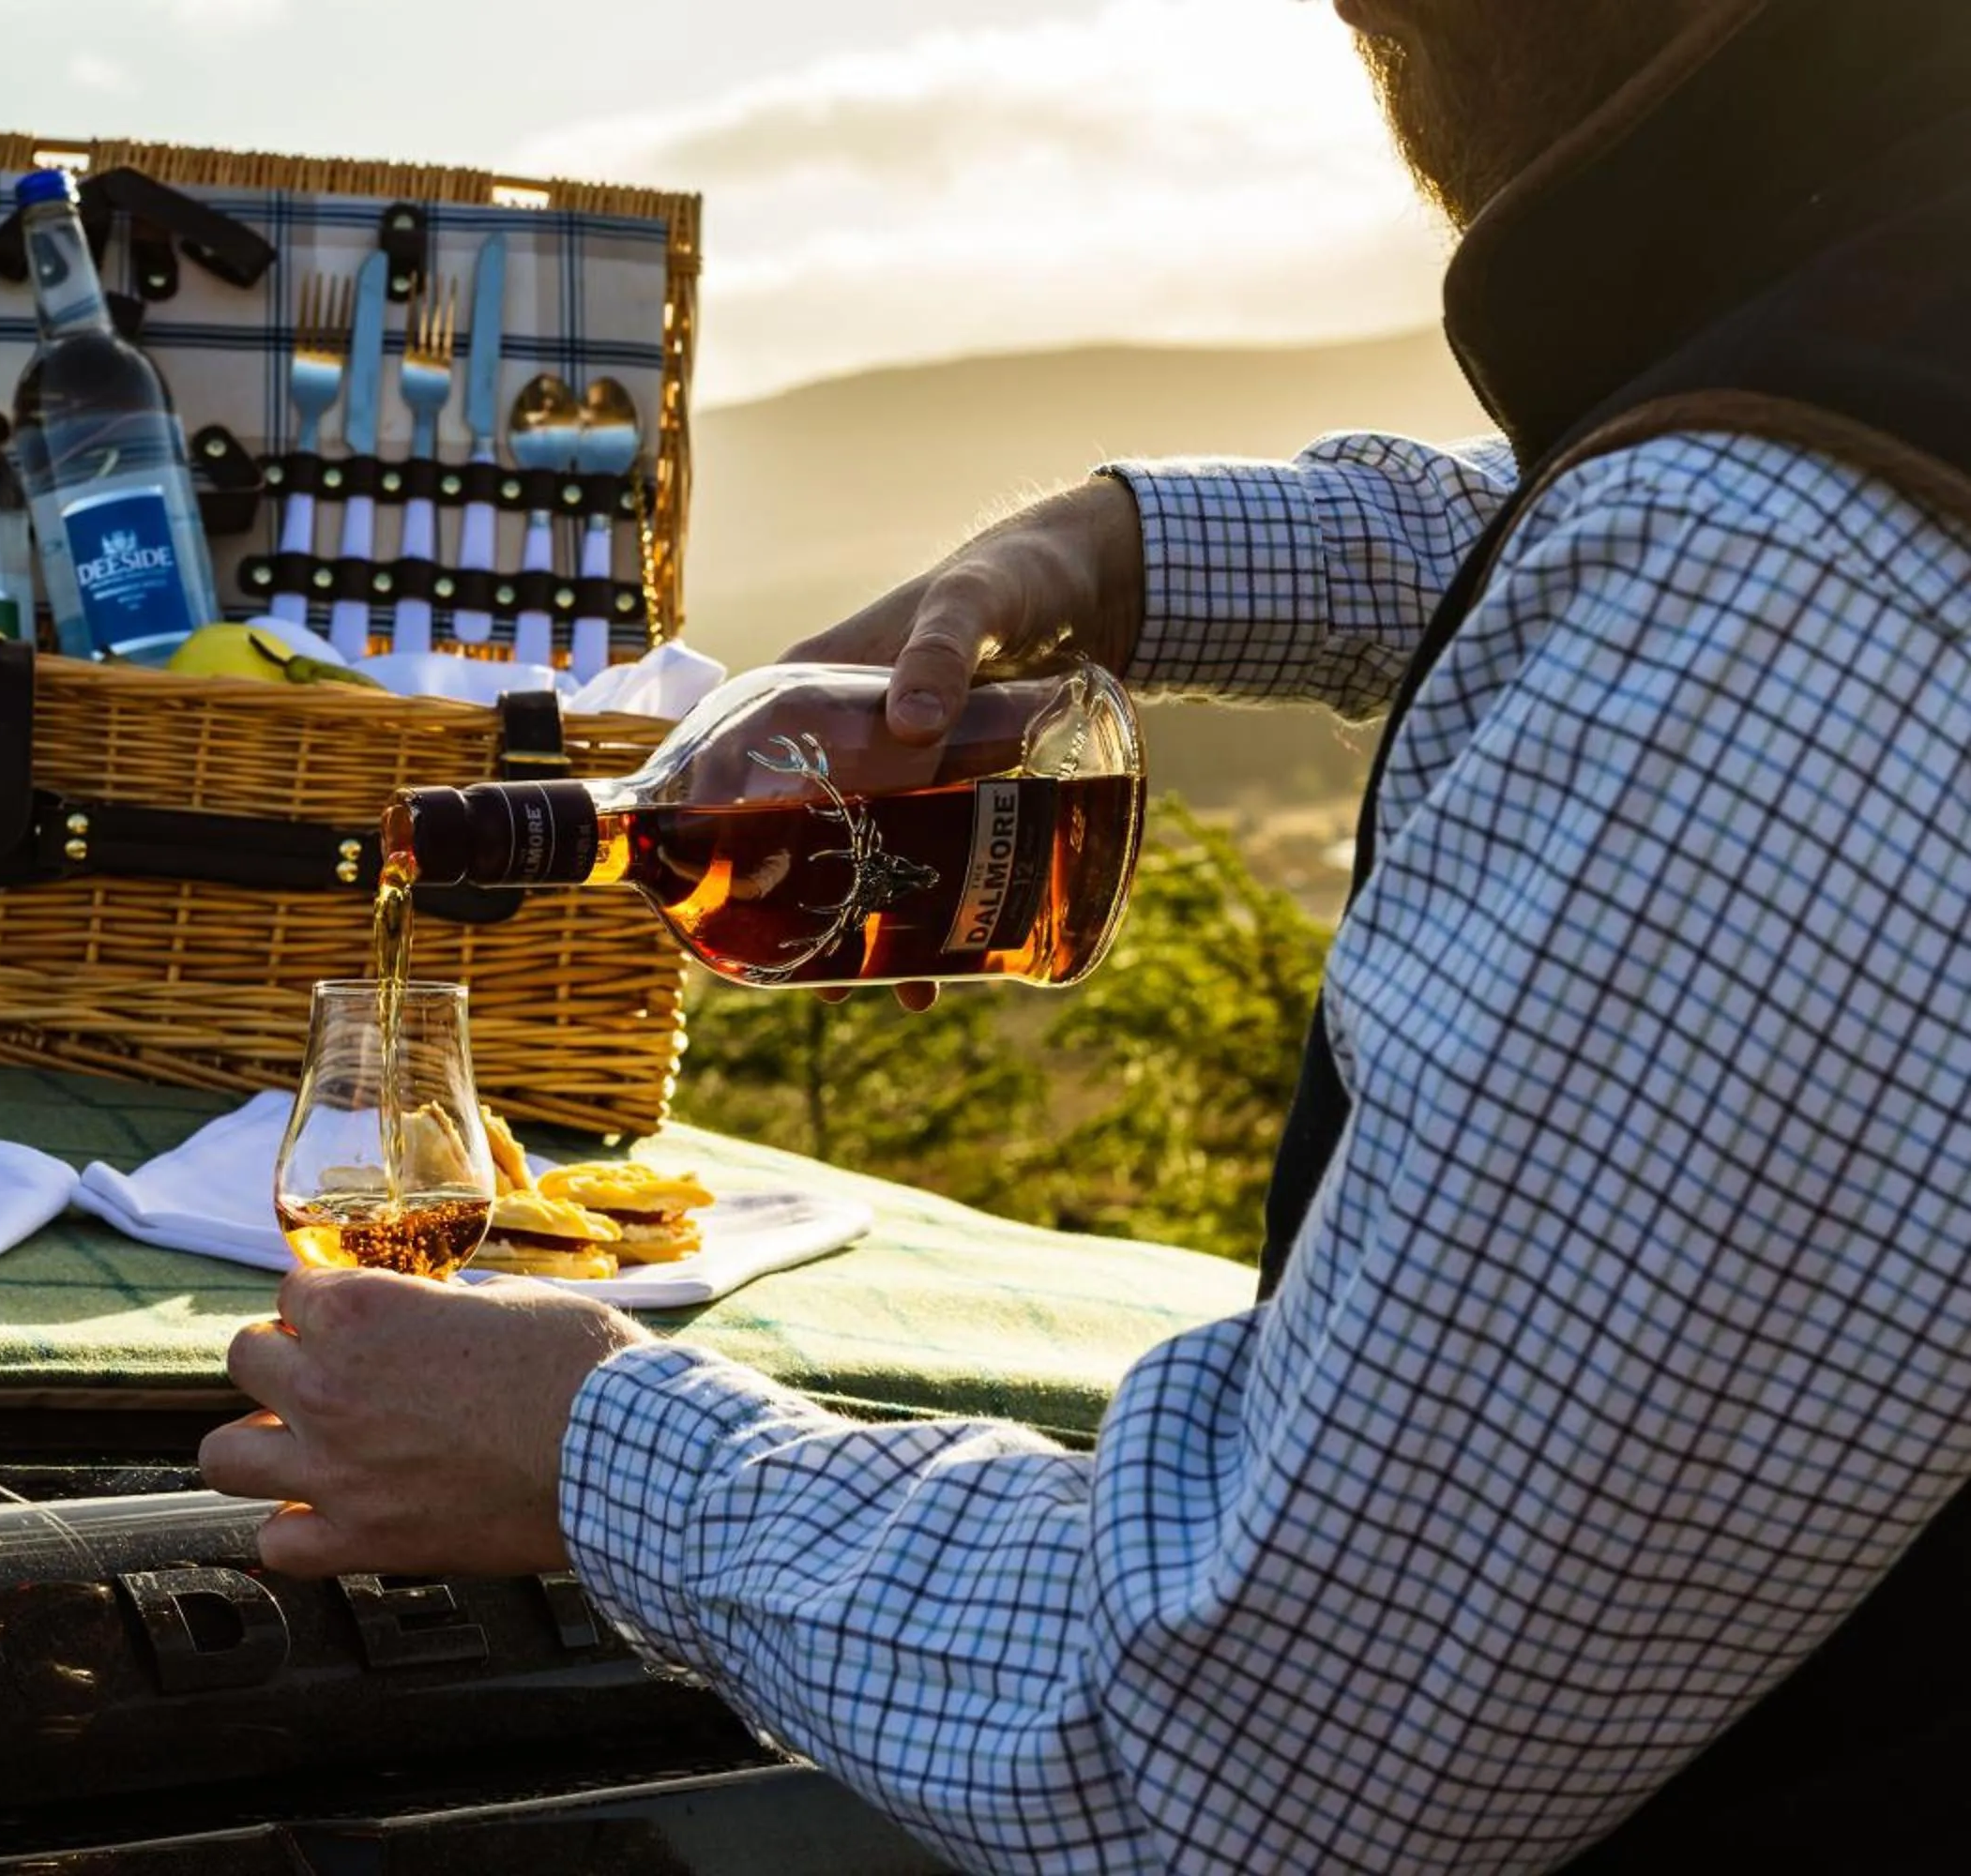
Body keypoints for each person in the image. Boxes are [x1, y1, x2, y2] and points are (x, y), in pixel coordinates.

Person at [201, 0, 1971, 1867]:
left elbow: (1273, 1758)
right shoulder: (1860, 330)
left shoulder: (1772, 588)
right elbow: (1631, 518)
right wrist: (1133, 556)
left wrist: (584, 1451)